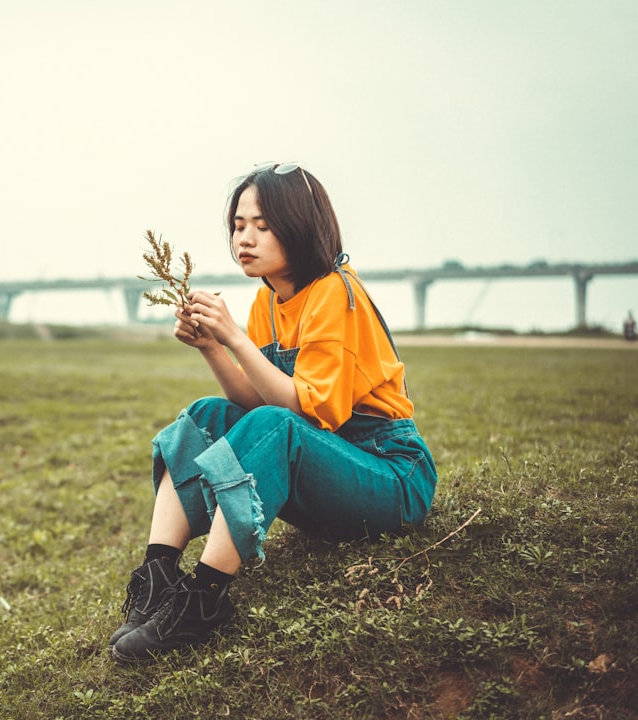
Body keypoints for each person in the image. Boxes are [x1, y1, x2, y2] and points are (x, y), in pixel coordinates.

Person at [110, 162, 438, 664]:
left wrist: (235, 336)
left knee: (275, 426)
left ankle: (205, 601)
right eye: (239, 225)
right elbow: (260, 401)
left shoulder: (335, 292)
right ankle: (158, 577)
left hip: (391, 473)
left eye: (263, 225)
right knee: (205, 415)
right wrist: (213, 348)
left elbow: (309, 410)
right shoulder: (269, 298)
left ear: (302, 225)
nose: (246, 237)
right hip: (329, 465)